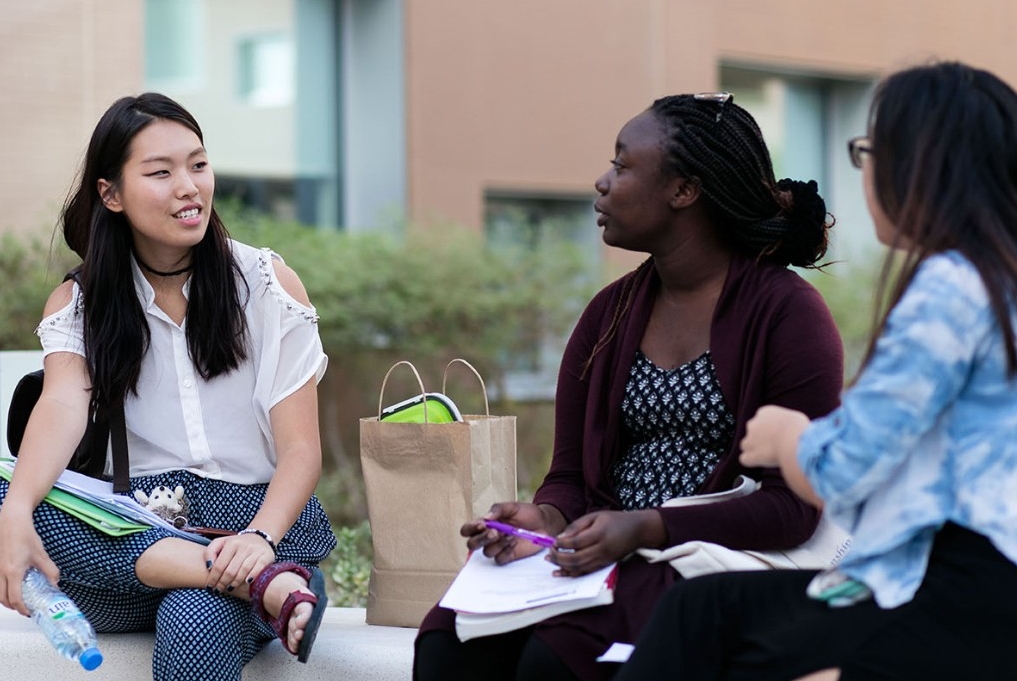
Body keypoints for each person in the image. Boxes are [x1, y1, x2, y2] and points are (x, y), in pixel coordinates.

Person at [414, 92, 844, 681]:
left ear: (684, 190)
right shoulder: (608, 315)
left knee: (558, 659)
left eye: (621, 165)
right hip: (611, 548)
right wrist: (543, 518)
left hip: (714, 557)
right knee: (448, 640)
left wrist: (651, 526)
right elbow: (569, 478)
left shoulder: (788, 314)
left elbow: (794, 507)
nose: (601, 182)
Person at [612, 61, 1017, 681]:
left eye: (869, 151)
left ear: (923, 164)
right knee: (708, 615)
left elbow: (847, 471)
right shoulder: (995, 283)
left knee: (700, 620)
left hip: (946, 594)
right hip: (955, 586)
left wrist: (786, 438)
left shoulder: (950, 292)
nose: (867, 172)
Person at [0, 93, 337, 680]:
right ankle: (264, 588)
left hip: (259, 527)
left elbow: (302, 451)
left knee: (193, 616)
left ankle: (254, 573)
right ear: (111, 194)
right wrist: (16, 516)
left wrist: (259, 540)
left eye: (198, 165)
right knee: (8, 492)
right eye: (161, 172)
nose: (189, 186)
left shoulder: (264, 284)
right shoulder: (81, 304)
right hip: (135, 535)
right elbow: (60, 406)